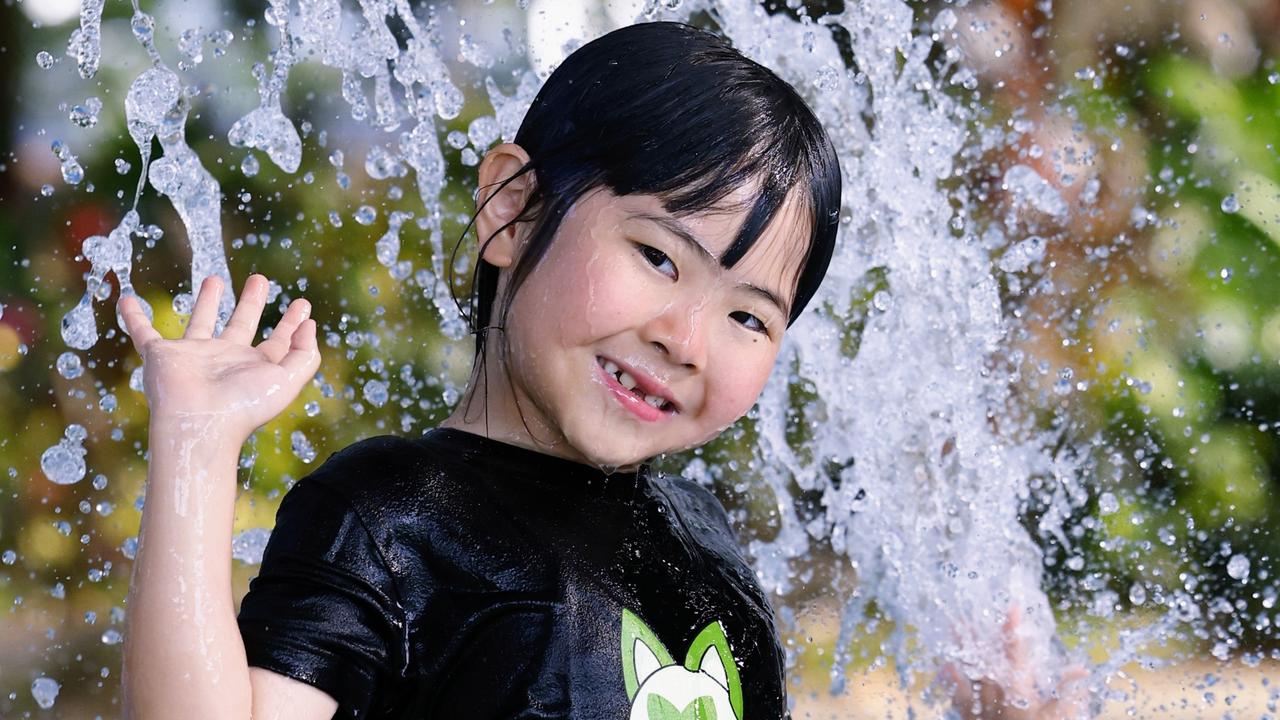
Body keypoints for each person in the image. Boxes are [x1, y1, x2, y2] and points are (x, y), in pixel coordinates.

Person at [117, 20, 1083, 720]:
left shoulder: (706, 546)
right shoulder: (387, 520)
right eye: (660, 258)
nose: (686, 337)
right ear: (512, 207)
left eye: (749, 315)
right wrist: (197, 453)